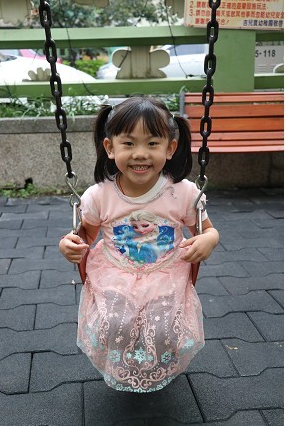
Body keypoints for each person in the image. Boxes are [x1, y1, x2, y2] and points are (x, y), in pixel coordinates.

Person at [58, 96, 220, 393]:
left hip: (166, 271)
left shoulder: (183, 193)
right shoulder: (98, 195)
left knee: (162, 328)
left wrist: (210, 239)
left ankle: (159, 361)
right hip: (116, 271)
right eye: (129, 143)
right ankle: (123, 362)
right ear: (110, 148)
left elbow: (206, 230)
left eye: (152, 143)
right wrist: (69, 244)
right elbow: (86, 236)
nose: (140, 154)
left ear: (170, 148)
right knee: (115, 323)